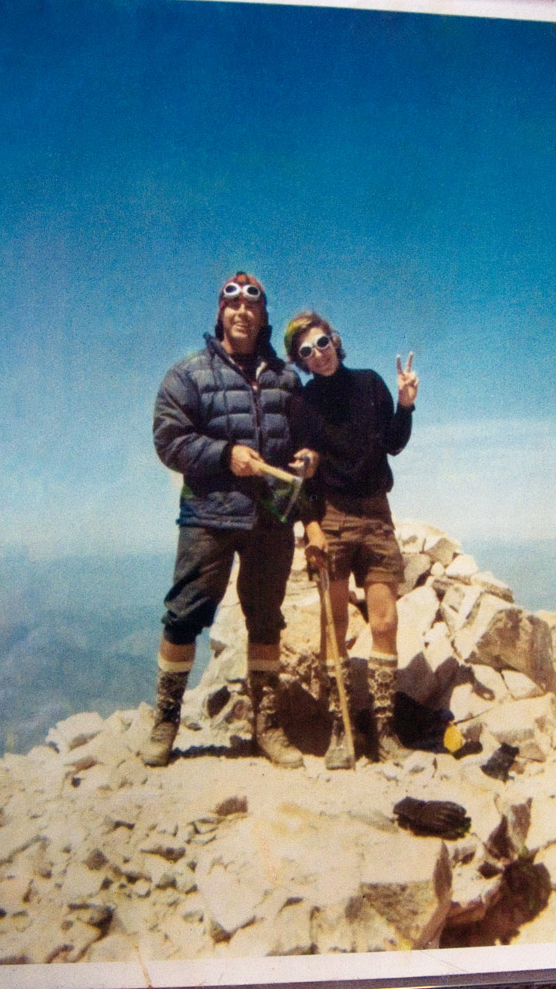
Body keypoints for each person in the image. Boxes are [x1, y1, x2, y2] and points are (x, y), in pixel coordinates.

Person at [143, 272, 318, 768]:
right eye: (232, 303)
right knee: (185, 614)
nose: (242, 311)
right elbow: (169, 441)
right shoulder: (189, 374)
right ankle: (166, 720)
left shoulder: (286, 378)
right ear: (221, 313)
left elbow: (304, 437)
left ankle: (266, 723)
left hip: (271, 517)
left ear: (263, 316)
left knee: (267, 618)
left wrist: (307, 457)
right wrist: (224, 455)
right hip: (209, 514)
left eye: (252, 305)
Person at [283, 310, 419, 769]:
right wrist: (312, 523)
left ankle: (383, 729)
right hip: (334, 517)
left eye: (321, 343)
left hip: (377, 515)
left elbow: (394, 444)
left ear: (334, 340)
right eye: (305, 352)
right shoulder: (302, 404)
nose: (317, 355)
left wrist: (405, 403)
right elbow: (302, 474)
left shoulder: (370, 384)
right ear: (299, 361)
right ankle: (340, 728)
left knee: (384, 622)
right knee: (333, 624)